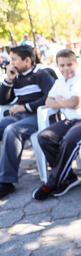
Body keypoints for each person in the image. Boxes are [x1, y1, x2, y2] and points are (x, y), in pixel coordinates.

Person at [32, 49, 81, 200]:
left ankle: (52, 183)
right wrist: (63, 102)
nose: (66, 68)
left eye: (70, 64)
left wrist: (59, 102)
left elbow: (75, 103)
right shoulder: (59, 82)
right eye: (62, 65)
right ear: (58, 67)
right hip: (70, 120)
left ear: (76, 63)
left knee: (69, 140)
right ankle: (69, 177)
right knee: (44, 136)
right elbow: (48, 102)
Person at [0, 45, 55, 199]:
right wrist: (8, 80)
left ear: (27, 60)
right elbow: (2, 100)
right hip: (20, 117)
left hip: (38, 117)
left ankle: (6, 182)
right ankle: (3, 170)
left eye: (15, 59)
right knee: (4, 126)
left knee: (12, 130)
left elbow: (50, 96)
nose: (11, 63)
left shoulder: (41, 74)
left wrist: (25, 107)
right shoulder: (15, 76)